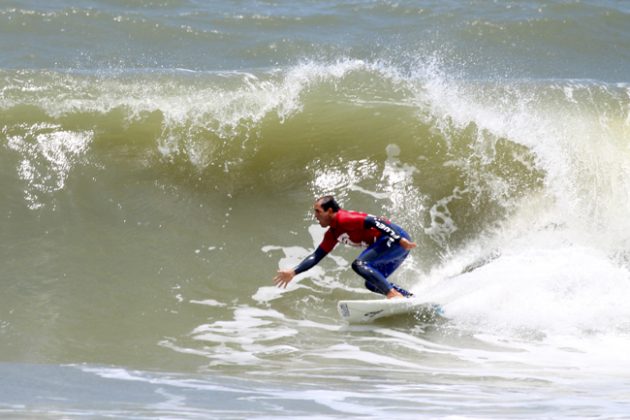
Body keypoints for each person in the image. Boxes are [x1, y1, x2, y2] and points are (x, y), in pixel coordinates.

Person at [273, 196, 416, 299]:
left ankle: (393, 295)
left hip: (394, 240)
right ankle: (409, 298)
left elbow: (374, 221)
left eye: (317, 211)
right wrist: (293, 272)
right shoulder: (333, 233)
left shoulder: (345, 219)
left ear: (329, 211)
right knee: (373, 283)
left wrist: (399, 238)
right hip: (392, 245)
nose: (315, 216)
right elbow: (317, 256)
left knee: (359, 264)